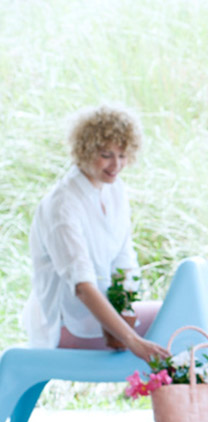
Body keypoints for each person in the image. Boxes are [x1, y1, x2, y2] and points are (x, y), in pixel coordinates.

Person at [22, 106, 169, 362]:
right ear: (85, 150)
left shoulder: (114, 190)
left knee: (180, 314)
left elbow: (124, 261)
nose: (116, 165)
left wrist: (124, 312)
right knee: (175, 321)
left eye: (123, 155)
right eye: (106, 155)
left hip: (103, 320)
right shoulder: (62, 205)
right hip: (66, 327)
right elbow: (82, 286)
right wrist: (131, 339)